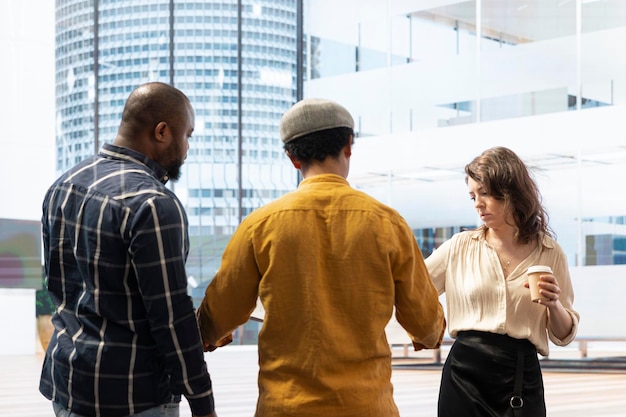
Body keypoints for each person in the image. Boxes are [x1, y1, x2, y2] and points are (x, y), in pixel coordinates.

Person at [196, 98, 446, 417]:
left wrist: (207, 334)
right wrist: (429, 334)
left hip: (285, 407)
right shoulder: (387, 223)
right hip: (368, 407)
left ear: (292, 158)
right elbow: (426, 324)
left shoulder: (259, 226)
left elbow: (217, 316)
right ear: (349, 145)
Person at [39, 82, 217, 417]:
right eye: (187, 135)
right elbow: (170, 317)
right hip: (134, 395)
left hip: (67, 385)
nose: (188, 148)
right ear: (162, 132)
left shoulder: (62, 185)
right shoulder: (152, 203)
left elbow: (59, 286)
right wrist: (202, 402)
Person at [425, 146, 580, 417]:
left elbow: (562, 335)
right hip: (464, 374)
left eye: (484, 193)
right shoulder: (459, 247)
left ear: (510, 191)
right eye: (473, 196)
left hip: (520, 375)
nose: (477, 204)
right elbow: (413, 289)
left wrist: (554, 305)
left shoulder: (550, 252)